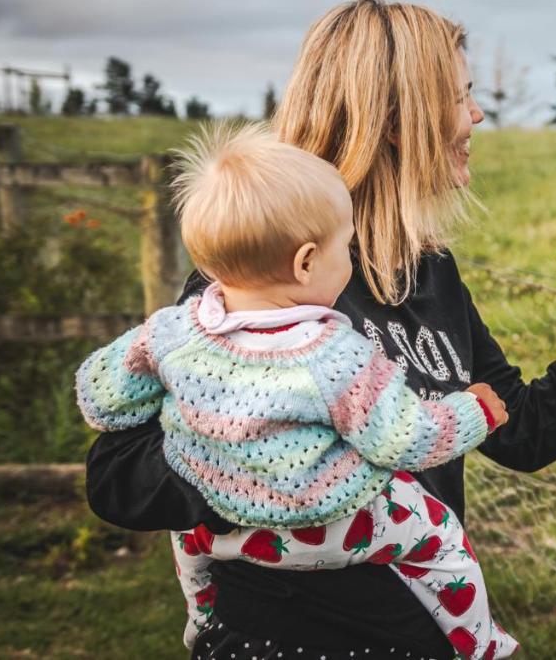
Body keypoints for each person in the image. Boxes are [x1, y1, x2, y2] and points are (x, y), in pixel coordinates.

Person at [84, 0, 556, 660]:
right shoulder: (257, 282)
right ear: (399, 122)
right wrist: (283, 463)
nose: (478, 115)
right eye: (462, 96)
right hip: (272, 642)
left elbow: (516, 428)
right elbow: (117, 476)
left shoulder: (429, 272)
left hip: (417, 642)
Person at [76, 123, 516, 659]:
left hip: (222, 530)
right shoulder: (334, 352)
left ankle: (200, 619)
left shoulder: (173, 331)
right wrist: (474, 411)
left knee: (186, 543)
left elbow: (103, 393)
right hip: (336, 526)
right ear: (306, 261)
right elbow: (404, 438)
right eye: (346, 248)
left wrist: (173, 415)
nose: (349, 262)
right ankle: (483, 643)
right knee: (439, 535)